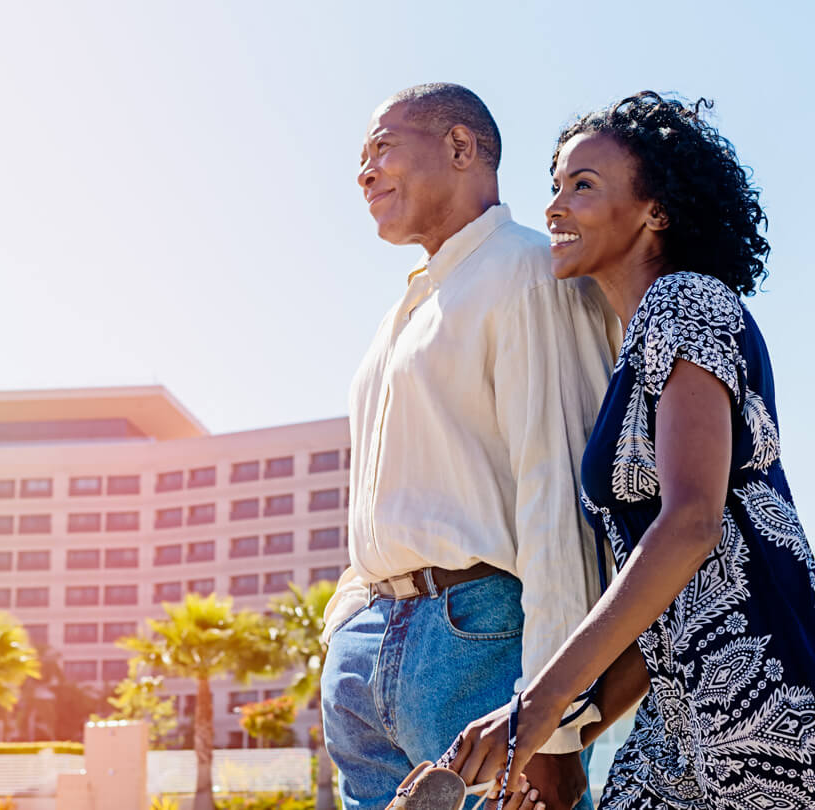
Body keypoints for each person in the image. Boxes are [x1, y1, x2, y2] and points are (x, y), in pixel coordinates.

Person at [441, 91, 815, 810]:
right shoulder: (636, 351)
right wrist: (559, 742)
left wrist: (535, 708)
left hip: (781, 706)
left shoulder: (686, 302)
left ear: (657, 212)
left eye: (583, 185)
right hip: (680, 720)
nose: (554, 206)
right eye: (554, 185)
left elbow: (692, 522)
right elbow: (667, 596)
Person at [321, 82, 619, 810]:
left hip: (474, 644)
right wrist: (343, 633)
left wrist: (553, 727)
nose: (364, 172)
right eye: (361, 158)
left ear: (460, 147)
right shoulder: (403, 311)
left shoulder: (525, 269)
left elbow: (558, 495)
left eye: (382, 147)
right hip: (366, 661)